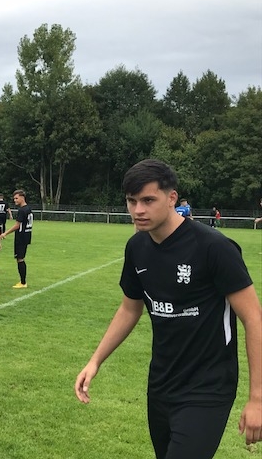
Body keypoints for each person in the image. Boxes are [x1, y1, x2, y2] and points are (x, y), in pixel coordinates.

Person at [74, 159, 262, 458]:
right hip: (161, 384)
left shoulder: (214, 247)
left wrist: (257, 400)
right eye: (132, 201)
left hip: (207, 387)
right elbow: (129, 309)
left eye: (148, 200)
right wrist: (95, 361)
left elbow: (254, 319)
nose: (138, 210)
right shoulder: (137, 247)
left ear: (172, 197)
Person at [1, 190, 33, 288]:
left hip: (21, 236)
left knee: (20, 259)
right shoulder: (28, 208)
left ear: (22, 198)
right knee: (20, 258)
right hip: (27, 235)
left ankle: (23, 282)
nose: (14, 200)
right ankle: (23, 281)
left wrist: (5, 233)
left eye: (16, 198)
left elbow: (17, 226)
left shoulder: (22, 210)